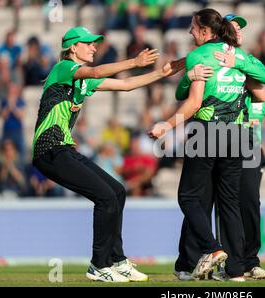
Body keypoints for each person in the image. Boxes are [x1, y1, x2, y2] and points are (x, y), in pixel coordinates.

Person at [31, 26, 184, 282]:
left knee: (117, 191)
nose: (94, 46)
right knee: (105, 197)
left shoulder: (82, 80)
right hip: (49, 150)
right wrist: (134, 61)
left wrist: (161, 72)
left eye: (94, 43)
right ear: (72, 48)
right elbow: (96, 70)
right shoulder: (64, 69)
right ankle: (99, 265)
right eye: (88, 43)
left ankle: (117, 260)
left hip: (64, 149)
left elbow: (126, 85)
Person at [149, 8, 265, 281]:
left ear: (206, 31)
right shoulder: (237, 54)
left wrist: (165, 126)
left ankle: (213, 249)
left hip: (208, 132)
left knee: (189, 197)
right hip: (238, 135)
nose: (190, 32)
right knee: (229, 202)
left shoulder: (199, 55)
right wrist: (236, 63)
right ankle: (237, 270)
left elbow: (191, 102)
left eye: (193, 27)